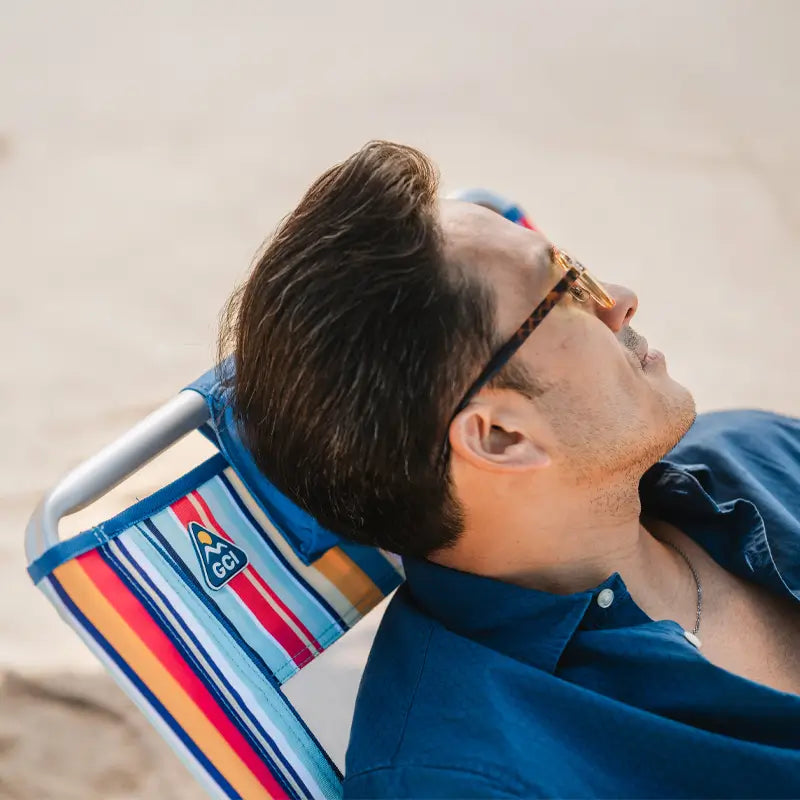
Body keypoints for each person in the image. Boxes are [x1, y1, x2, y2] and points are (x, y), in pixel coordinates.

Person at [219, 140, 800, 798]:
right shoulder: (472, 776)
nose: (620, 300)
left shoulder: (761, 453)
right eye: (567, 289)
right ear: (498, 436)